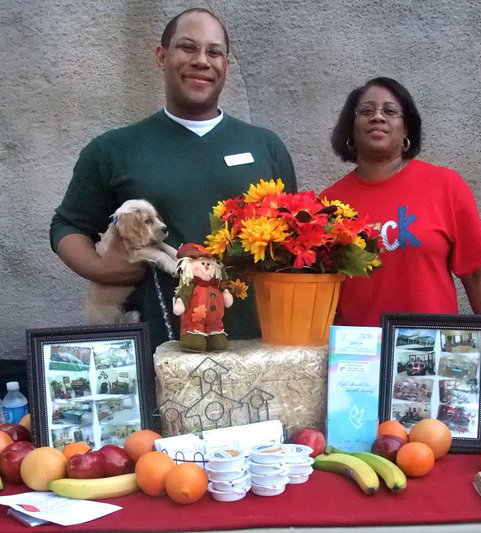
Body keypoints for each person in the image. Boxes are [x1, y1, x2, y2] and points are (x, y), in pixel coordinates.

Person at [50, 8, 297, 351]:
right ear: (161, 57)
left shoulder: (265, 146)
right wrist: (102, 269)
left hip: (257, 347)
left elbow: (295, 247)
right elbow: (67, 226)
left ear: (226, 64)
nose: (201, 61)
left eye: (214, 52)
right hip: (157, 349)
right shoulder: (113, 149)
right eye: (187, 47)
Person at [323, 77, 481, 395]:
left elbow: (478, 276)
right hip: (357, 369)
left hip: (435, 362)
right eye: (365, 110)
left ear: (407, 130)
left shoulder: (446, 186)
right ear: (351, 130)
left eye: (390, 111)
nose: (377, 116)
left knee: (431, 445)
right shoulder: (326, 207)